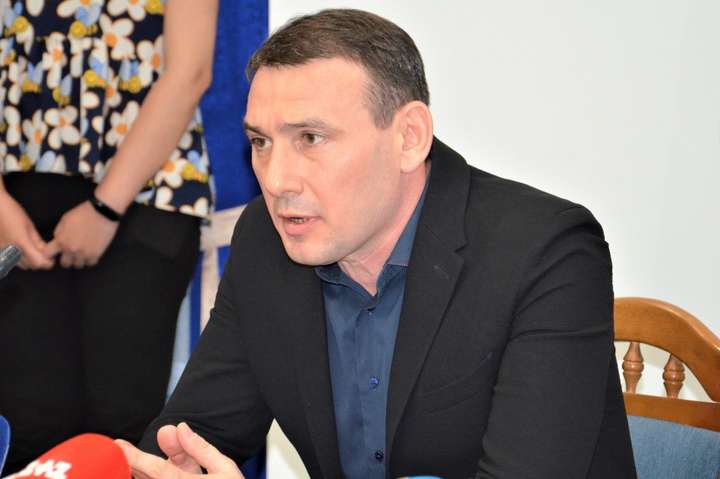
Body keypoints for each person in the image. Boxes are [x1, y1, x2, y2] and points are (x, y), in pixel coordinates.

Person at [119, 9, 637, 479]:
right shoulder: (266, 239)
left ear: (409, 137)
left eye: (310, 139)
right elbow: (191, 436)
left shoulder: (545, 252)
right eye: (261, 142)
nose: (275, 181)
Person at [0, 0, 217, 473]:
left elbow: (190, 70)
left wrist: (105, 206)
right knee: (26, 426)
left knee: (123, 429)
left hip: (147, 188)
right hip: (15, 199)